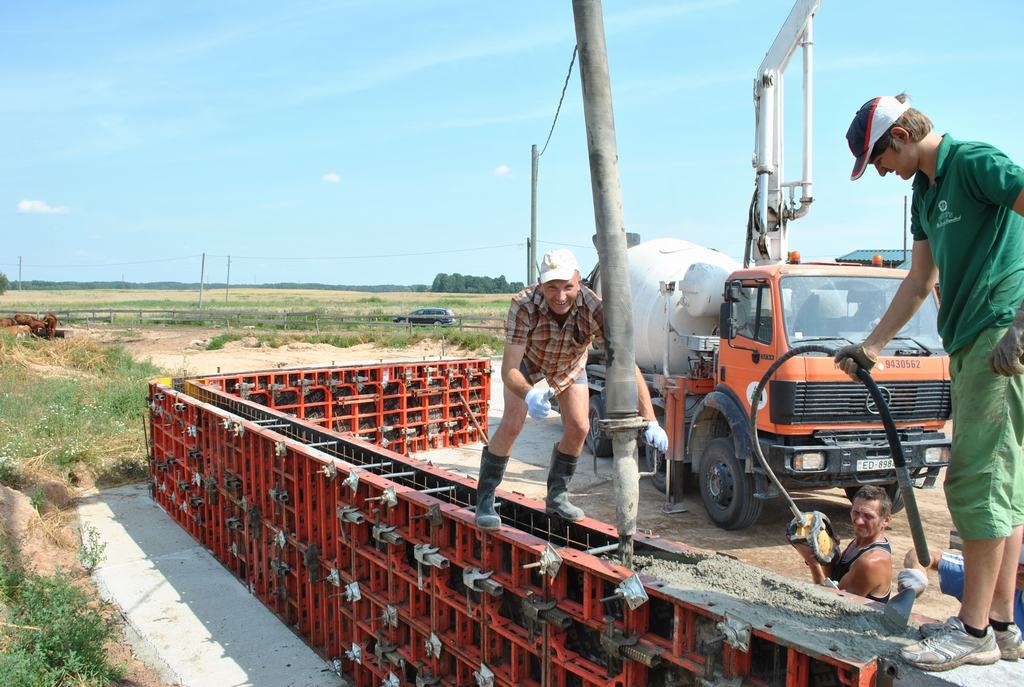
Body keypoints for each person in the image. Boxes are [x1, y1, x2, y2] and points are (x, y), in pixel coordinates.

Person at [837, 93, 1024, 671]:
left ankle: (972, 633)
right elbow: (919, 280)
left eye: (879, 162)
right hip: (967, 340)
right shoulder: (924, 190)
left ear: (897, 137)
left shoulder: (973, 162)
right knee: (1004, 486)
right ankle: (998, 622)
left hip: (1000, 334)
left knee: (975, 481)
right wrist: (871, 345)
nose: (883, 174)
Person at [474, 248, 668, 531]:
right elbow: (509, 370)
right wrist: (529, 393)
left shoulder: (594, 307)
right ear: (541, 284)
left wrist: (650, 419)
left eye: (568, 286)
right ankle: (485, 499)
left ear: (579, 281)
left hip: (569, 363)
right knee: (513, 424)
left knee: (579, 427)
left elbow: (624, 363)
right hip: (529, 361)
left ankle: (556, 495)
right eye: (552, 287)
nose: (560, 295)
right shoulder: (523, 305)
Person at [901, 531, 1024, 661]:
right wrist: (917, 572)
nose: (1020, 571)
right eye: (1018, 564)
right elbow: (918, 554)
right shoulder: (991, 579)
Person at [792, 485, 894, 602]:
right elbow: (833, 578)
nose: (859, 521)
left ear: (885, 521)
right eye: (856, 513)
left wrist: (812, 562)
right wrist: (825, 552)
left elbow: (830, 604)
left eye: (868, 516)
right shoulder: (860, 542)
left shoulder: (871, 562)